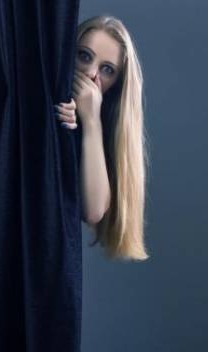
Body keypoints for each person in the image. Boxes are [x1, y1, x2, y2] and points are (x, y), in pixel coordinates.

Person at [55, 15, 149, 261]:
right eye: (84, 56)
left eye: (107, 70)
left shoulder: (98, 123)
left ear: (116, 84)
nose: (90, 73)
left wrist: (92, 121)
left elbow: (94, 210)